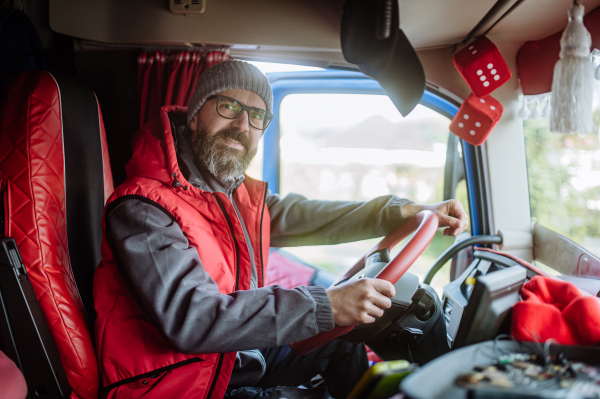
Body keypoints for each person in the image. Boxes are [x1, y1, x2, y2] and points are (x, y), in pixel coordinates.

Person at [93, 60, 468, 399]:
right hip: (178, 384)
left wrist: (406, 211)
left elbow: (318, 217)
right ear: (194, 115)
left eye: (257, 116)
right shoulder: (143, 207)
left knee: (345, 339)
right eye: (229, 107)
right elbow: (195, 320)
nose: (242, 125)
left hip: (229, 361)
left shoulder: (235, 198)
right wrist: (327, 304)